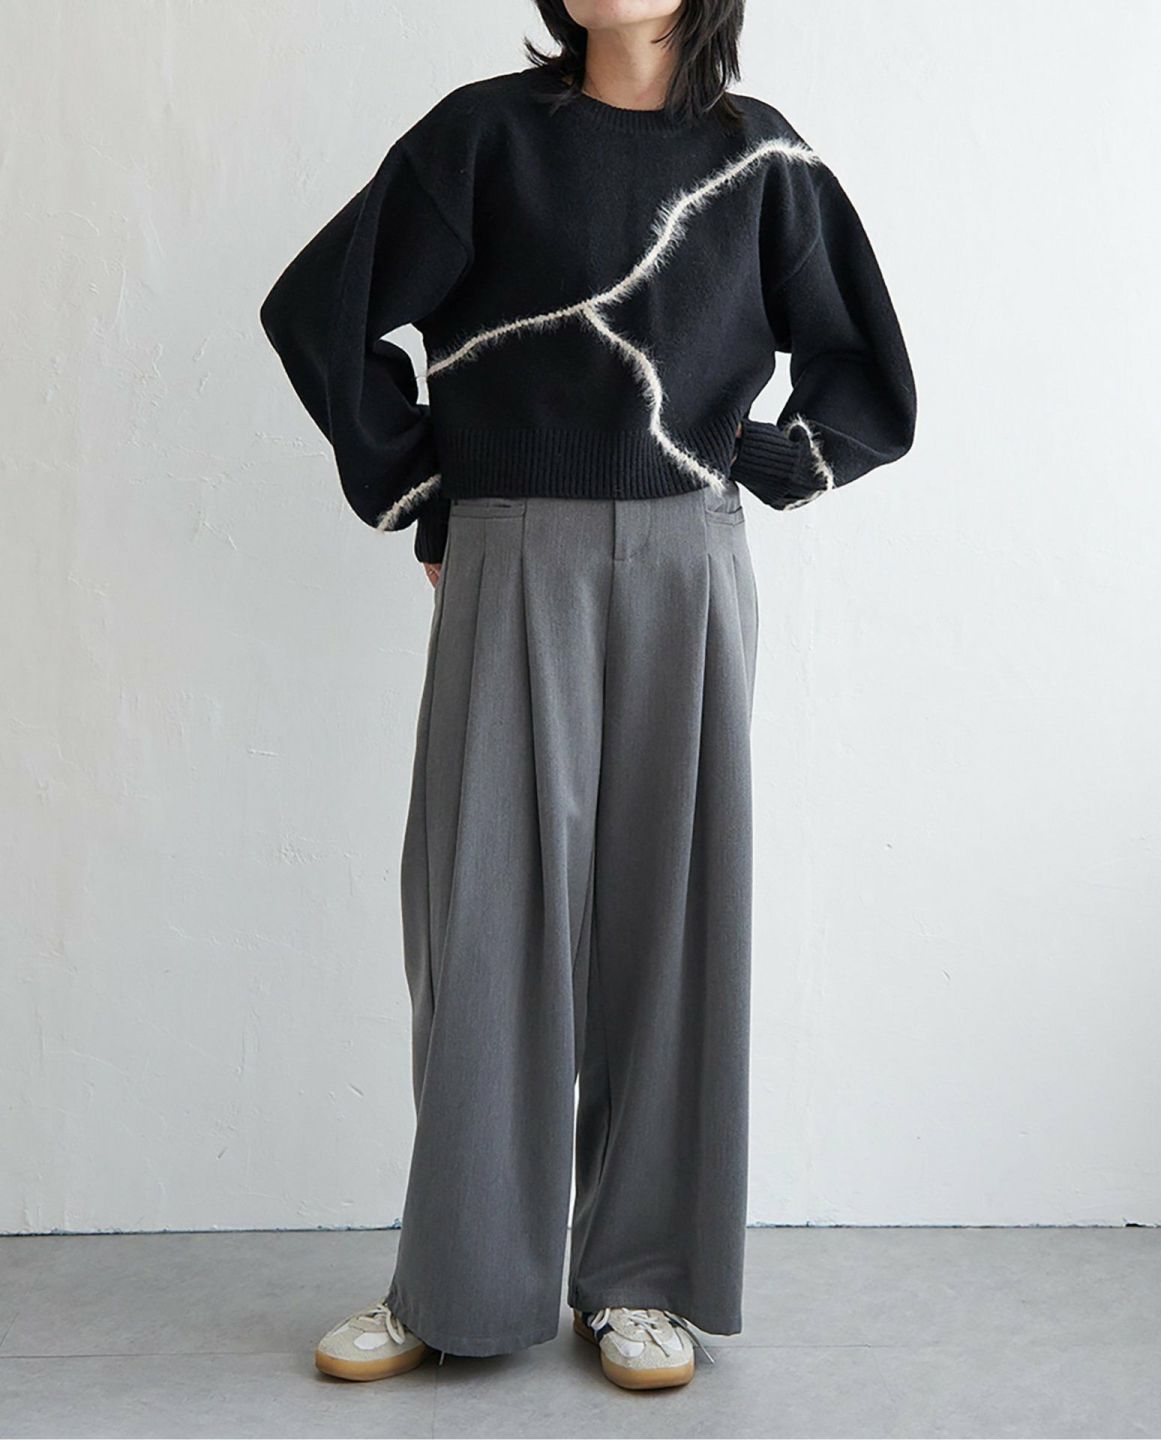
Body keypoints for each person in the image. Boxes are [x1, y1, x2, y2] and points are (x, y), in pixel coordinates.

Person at [259, 0, 916, 1393]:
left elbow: (864, 370)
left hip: (688, 561)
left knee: (674, 919)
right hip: (512, 556)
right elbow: (323, 309)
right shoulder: (486, 139)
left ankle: (642, 1283)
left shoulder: (760, 158)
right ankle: (459, 1283)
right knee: (484, 918)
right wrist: (427, 487)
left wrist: (759, 459)